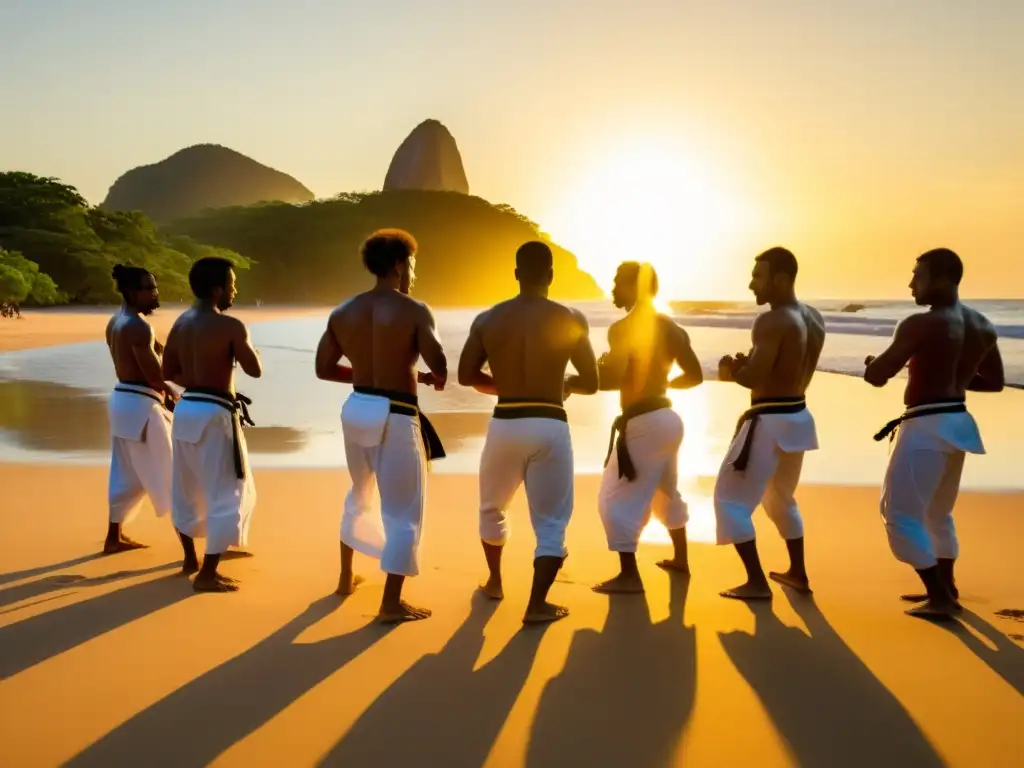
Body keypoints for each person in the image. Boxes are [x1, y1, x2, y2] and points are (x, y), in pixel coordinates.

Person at [458, 240, 599, 624]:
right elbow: (592, 380)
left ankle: (495, 581)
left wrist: (505, 386)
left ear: (517, 273)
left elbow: (466, 375)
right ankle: (537, 604)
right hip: (550, 423)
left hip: (505, 423)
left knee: (491, 508)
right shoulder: (571, 318)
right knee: (551, 522)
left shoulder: (488, 320)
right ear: (551, 275)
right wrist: (563, 383)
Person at [315, 229, 448, 623]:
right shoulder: (414, 310)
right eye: (412, 264)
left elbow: (323, 368)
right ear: (398, 265)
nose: (413, 273)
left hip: (356, 407)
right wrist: (426, 373)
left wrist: (373, 371)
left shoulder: (343, 312)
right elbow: (439, 363)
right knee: (404, 510)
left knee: (359, 492)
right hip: (395, 413)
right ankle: (391, 603)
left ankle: (345, 577)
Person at [864, 248, 1002, 620]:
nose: (911, 284)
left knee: (897, 513)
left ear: (942, 280)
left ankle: (939, 596)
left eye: (918, 276)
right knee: (938, 513)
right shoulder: (982, 325)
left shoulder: (919, 324)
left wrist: (872, 366)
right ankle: (947, 586)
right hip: (957, 422)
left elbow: (878, 376)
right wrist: (950, 378)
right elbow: (995, 383)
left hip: (925, 425)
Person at [714, 247, 825, 600]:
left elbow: (753, 378)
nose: (751, 284)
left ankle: (756, 582)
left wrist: (732, 369)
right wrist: (753, 367)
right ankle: (798, 573)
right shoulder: (814, 317)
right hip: (798, 417)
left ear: (781, 278)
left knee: (728, 500)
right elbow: (785, 369)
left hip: (768, 419)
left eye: (758, 276)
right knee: (780, 498)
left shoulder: (771, 320)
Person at [591, 262, 704, 594]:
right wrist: (661, 384)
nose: (612, 288)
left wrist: (584, 375)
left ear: (634, 287)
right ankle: (681, 559)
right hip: (669, 421)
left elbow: (612, 378)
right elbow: (694, 376)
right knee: (666, 490)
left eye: (617, 282)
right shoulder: (673, 328)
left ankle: (629, 576)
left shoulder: (622, 328)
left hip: (643, 424)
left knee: (612, 498)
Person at [162, 257, 262, 592]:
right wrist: (249, 347)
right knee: (227, 492)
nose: (235, 290)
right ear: (217, 289)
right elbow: (255, 369)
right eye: (232, 284)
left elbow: (168, 371)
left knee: (187, 487)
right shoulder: (230, 326)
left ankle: (191, 559)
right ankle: (208, 573)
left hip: (187, 407)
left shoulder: (181, 323)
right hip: (215, 412)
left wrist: (197, 380)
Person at [103, 265, 177, 554]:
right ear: (134, 292)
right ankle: (194, 553)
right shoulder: (137, 325)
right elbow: (156, 376)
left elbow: (160, 351)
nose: (155, 294)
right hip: (140, 403)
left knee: (125, 473)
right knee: (171, 471)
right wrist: (171, 391)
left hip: (122, 399)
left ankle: (114, 537)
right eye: (150, 288)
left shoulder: (116, 321)